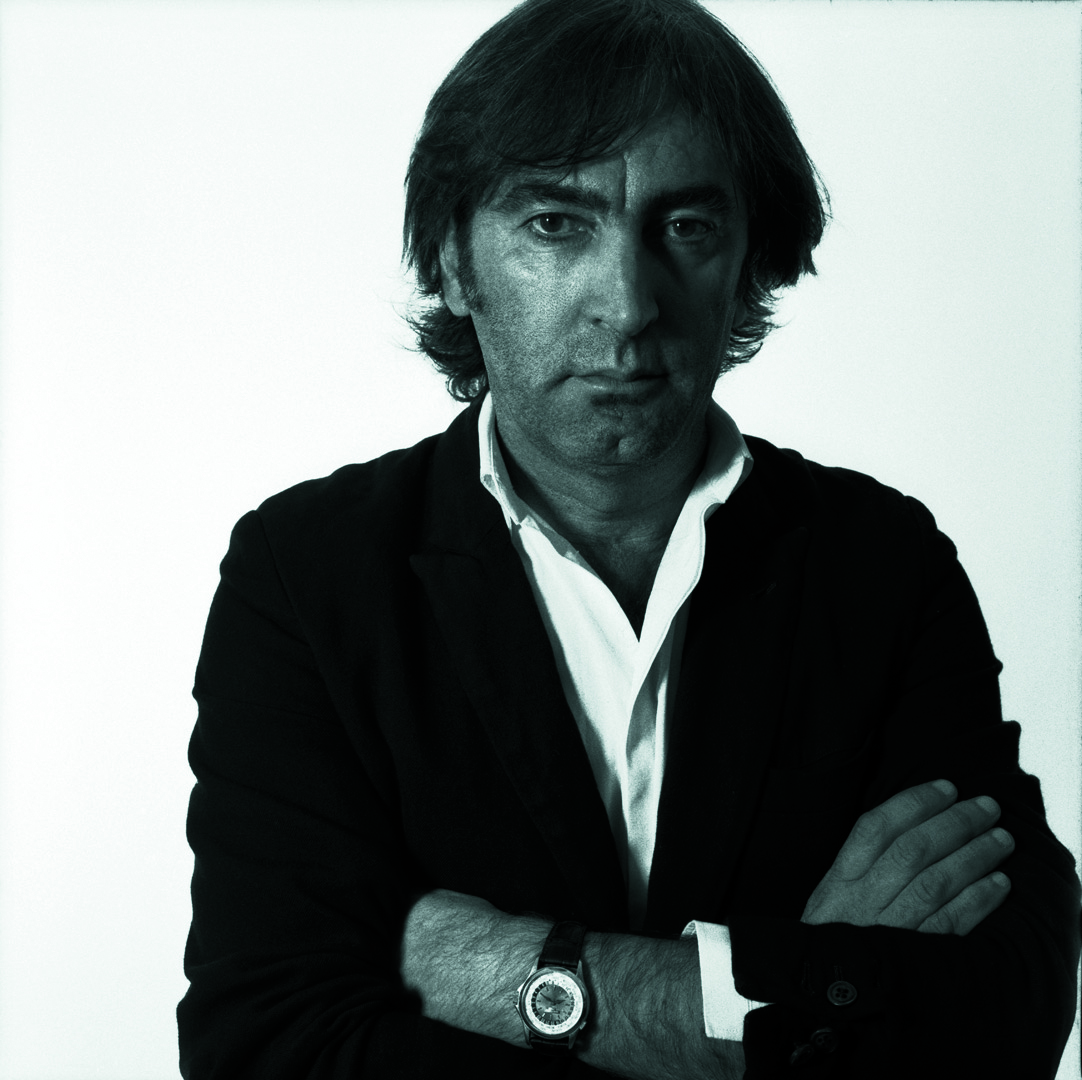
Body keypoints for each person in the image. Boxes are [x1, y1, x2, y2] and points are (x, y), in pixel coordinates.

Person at [177, 1, 1080, 1077]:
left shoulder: (881, 563)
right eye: (555, 225)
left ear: (748, 262)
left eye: (684, 227)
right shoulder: (308, 573)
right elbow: (264, 1047)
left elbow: (1005, 1012)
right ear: (455, 260)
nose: (627, 303)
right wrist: (798, 999)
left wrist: (514, 975)